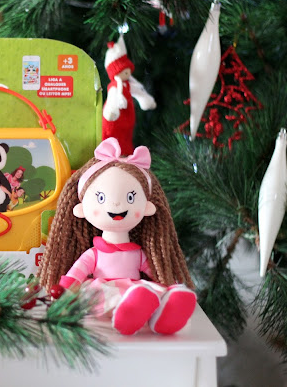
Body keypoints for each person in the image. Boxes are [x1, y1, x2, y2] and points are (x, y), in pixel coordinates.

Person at [39, 138, 196, 336]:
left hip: (136, 289)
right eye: (101, 198)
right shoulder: (93, 254)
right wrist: (64, 289)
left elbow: (155, 272)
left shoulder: (138, 254)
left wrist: (166, 283)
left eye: (131, 198)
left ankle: (162, 315)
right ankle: (128, 313)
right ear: (81, 209)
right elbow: (76, 273)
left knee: (153, 291)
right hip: (103, 288)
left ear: (147, 207)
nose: (116, 207)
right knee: (103, 297)